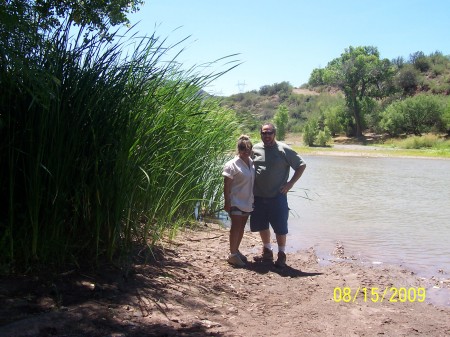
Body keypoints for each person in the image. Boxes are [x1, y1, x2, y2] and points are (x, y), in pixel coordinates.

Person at [250, 123, 306, 268]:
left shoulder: (284, 149)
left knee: (280, 227)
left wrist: (290, 184)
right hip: (258, 196)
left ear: (275, 134)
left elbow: (301, 165)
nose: (267, 136)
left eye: (270, 133)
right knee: (262, 225)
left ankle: (281, 255)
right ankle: (267, 252)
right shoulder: (255, 149)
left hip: (277, 196)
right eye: (264, 133)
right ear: (260, 134)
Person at [222, 135, 255, 267]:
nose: (246, 152)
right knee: (235, 227)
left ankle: (236, 250)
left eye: (248, 149)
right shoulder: (231, 165)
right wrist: (227, 202)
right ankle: (232, 254)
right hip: (235, 201)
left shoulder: (251, 162)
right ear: (238, 149)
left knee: (241, 227)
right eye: (243, 148)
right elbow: (226, 186)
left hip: (247, 201)